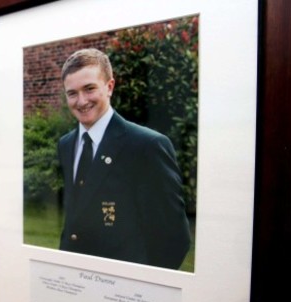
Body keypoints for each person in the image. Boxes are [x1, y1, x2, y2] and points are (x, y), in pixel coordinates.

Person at [57, 48, 191, 269]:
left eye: (89, 89)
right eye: (72, 93)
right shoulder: (66, 144)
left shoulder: (147, 146)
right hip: (74, 282)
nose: (81, 101)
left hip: (123, 292)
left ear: (109, 87)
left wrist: (143, 289)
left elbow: (174, 237)